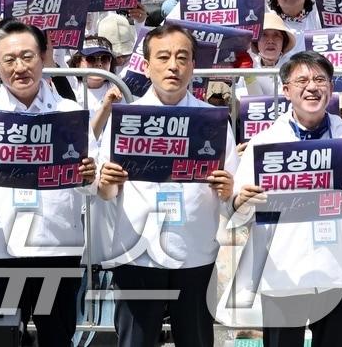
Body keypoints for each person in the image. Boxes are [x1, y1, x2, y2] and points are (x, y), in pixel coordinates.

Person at [94, 23, 238, 347]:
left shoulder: (213, 120)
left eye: (182, 57)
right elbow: (105, 192)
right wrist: (105, 183)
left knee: (197, 340)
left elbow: (234, 194)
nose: (173, 65)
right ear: (147, 66)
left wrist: (229, 191)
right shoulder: (125, 118)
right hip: (137, 254)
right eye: (163, 57)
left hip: (196, 255)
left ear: (192, 66)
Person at [231, 50, 342, 344]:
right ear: (286, 90)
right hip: (282, 273)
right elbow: (237, 205)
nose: (312, 87)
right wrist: (242, 201)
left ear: (331, 87)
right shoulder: (265, 142)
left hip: (338, 270)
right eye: (301, 80)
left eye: (319, 79)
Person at [0, 20, 97, 347]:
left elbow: (91, 186)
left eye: (28, 56)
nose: (20, 67)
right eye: (9, 60)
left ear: (44, 56)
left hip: (57, 247)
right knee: (3, 341)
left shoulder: (70, 113)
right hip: (0, 251)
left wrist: (89, 176)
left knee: (56, 339)